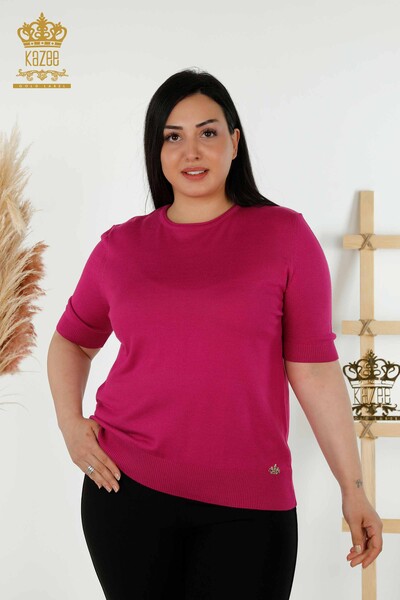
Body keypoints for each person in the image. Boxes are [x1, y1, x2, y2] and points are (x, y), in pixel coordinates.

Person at [47, 68, 383, 600]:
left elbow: (315, 371)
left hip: (251, 504)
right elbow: (72, 341)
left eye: (208, 132)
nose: (191, 151)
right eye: (172, 137)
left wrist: (353, 488)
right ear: (157, 151)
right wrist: (71, 425)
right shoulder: (120, 247)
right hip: (126, 491)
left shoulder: (285, 236)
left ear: (235, 141)